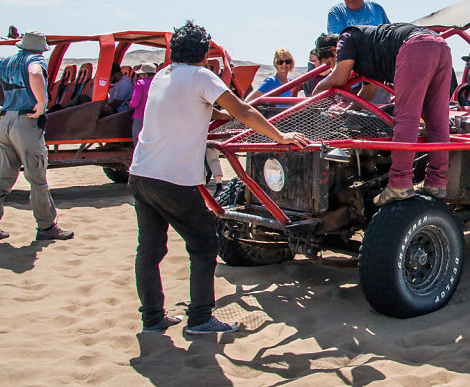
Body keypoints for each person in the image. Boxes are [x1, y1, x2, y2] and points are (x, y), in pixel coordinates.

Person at [129, 21, 309, 334]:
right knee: (203, 244)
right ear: (203, 52)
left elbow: (204, 108)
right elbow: (243, 110)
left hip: (141, 174)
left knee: (150, 250)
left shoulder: (162, 75)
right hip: (173, 180)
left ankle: (153, 318)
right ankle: (200, 318)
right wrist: (280, 136)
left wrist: (222, 114)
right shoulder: (201, 76)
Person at [312, 23, 451, 205]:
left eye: (330, 63)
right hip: (440, 45)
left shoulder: (346, 38)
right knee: (437, 119)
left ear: (334, 49)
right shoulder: (370, 46)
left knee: (406, 119)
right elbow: (367, 93)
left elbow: (340, 77)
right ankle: (437, 181)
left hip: (415, 46)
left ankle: (400, 183)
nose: (330, 69)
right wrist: (348, 111)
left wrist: (316, 92)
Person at [0, 30, 74, 245]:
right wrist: (40, 104)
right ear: (41, 48)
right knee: (37, 179)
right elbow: (36, 74)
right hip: (25, 124)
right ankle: (46, 226)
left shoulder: (7, 62)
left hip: (5, 122)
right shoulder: (35, 60)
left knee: (1, 180)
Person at [128, 62, 157, 147]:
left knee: (138, 144)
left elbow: (134, 103)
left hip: (140, 117)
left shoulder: (140, 83)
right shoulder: (157, 83)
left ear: (144, 74)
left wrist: (129, 103)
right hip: (154, 118)